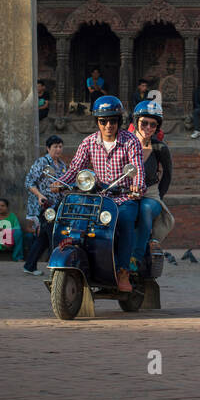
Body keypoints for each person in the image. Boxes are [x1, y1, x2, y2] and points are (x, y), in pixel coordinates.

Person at [61, 95, 145, 292]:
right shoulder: (89, 142)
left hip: (124, 198)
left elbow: (138, 168)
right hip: (98, 199)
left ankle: (123, 271)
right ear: (97, 121)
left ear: (119, 121)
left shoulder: (130, 141)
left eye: (113, 121)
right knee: (77, 220)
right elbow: (75, 168)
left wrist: (137, 187)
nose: (108, 125)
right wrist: (59, 183)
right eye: (103, 121)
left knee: (124, 222)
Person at [131, 99, 173, 273]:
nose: (148, 128)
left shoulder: (160, 147)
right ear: (136, 122)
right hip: (126, 192)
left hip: (150, 193)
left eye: (153, 125)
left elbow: (167, 175)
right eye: (144, 123)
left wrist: (158, 197)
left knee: (146, 209)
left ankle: (135, 257)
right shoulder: (125, 145)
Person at [23, 135, 69, 275]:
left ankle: (29, 266)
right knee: (53, 234)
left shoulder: (62, 165)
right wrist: (39, 195)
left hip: (57, 205)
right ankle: (56, 266)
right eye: (55, 146)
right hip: (44, 206)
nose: (58, 149)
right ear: (48, 148)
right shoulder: (42, 163)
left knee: (43, 237)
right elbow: (29, 182)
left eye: (60, 146)